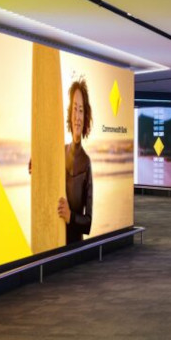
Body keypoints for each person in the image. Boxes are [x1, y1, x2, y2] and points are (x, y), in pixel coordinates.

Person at [59, 78, 94, 245]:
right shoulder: (60, 152)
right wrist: (36, 162)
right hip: (55, 240)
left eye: (81, 110)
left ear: (85, 116)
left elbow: (88, 222)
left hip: (75, 247)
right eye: (74, 109)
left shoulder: (86, 163)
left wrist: (70, 216)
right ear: (69, 113)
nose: (77, 116)